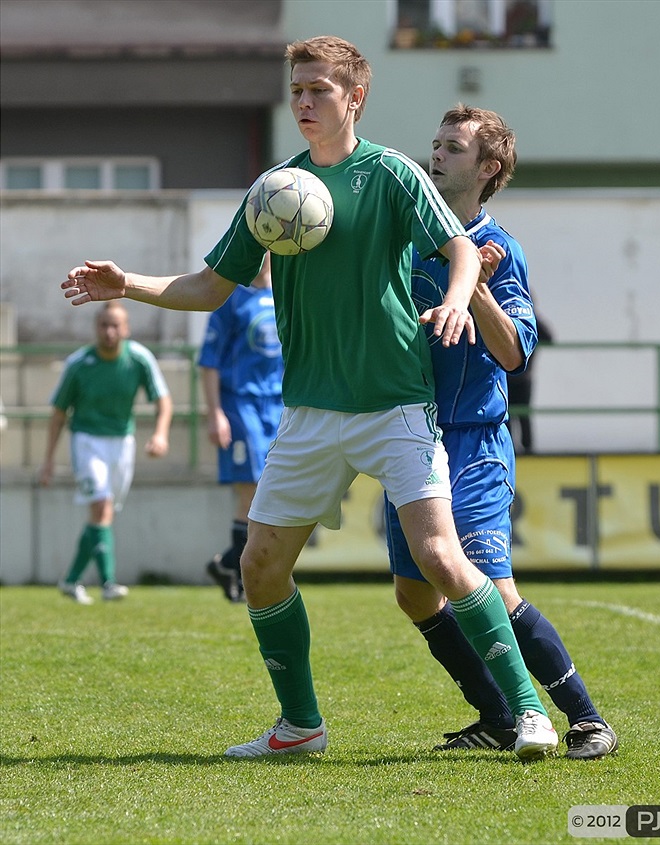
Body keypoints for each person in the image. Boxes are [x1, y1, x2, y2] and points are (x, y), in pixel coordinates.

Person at [59, 36, 559, 761]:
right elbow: (209, 286)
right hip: (311, 411)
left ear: (355, 99)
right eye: (297, 90)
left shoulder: (391, 174)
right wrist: (125, 283)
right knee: (260, 565)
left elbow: (457, 248)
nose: (303, 102)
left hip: (395, 404)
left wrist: (457, 300)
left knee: (441, 559)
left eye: (319, 90)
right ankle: (300, 726)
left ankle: (528, 712)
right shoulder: (274, 188)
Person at [385, 104, 617, 760]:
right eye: (435, 144)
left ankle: (586, 718)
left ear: (488, 168)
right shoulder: (406, 234)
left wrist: (478, 288)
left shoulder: (500, 248)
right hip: (406, 433)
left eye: (452, 147)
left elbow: (515, 354)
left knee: (490, 581)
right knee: (412, 592)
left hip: (473, 441)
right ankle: (495, 713)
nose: (436, 154)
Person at [40, 300, 172, 604]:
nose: (109, 331)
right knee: (101, 507)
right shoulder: (79, 363)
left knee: (104, 514)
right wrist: (47, 460)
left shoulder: (139, 358)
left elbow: (163, 400)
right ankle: (109, 583)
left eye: (115, 325)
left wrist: (160, 434)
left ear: (125, 329)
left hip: (122, 442)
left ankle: (71, 580)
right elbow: (58, 412)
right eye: (104, 325)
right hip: (87, 440)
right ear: (95, 329)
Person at [199, 252, 284, 602]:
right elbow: (208, 361)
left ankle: (228, 564)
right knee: (251, 491)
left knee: (274, 491)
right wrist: (215, 412)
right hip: (241, 405)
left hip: (279, 406)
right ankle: (241, 571)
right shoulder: (230, 298)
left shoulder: (285, 295)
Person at [506, 310, 553, 453]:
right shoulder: (507, 318)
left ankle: (527, 448)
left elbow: (549, 338)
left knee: (522, 414)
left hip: (521, 378)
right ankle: (513, 448)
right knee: (509, 414)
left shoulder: (532, 320)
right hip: (512, 377)